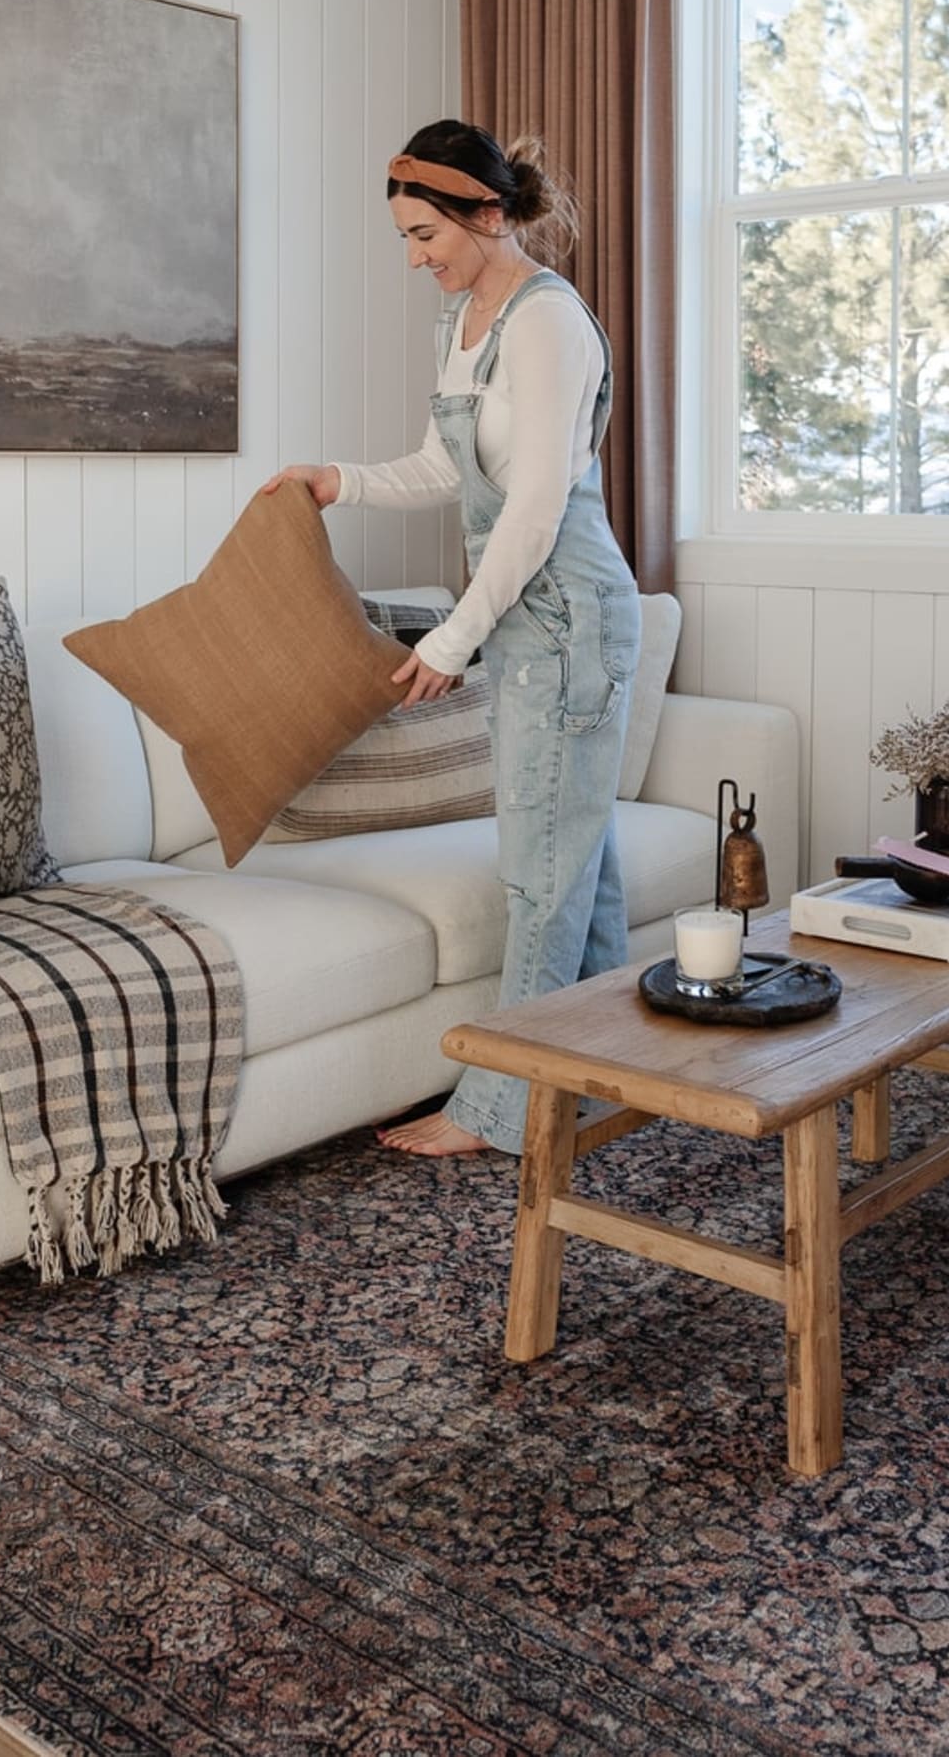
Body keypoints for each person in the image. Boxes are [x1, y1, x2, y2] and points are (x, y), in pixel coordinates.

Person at [264, 119, 641, 1156]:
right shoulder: (463, 324)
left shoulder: (547, 323)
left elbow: (534, 509)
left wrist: (448, 643)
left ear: (486, 212)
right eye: (404, 238)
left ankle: (500, 1110)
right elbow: (446, 469)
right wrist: (339, 480)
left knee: (539, 869)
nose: (415, 255)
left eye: (427, 232)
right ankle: (612, 1080)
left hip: (568, 615)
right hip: (529, 615)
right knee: (579, 861)